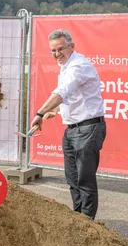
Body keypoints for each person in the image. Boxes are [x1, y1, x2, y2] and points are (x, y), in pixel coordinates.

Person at [30, 29, 106, 220]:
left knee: (85, 180)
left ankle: (87, 224)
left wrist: (39, 113)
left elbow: (62, 92)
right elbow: (73, 98)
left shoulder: (78, 66)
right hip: (73, 130)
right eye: (53, 51)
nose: (57, 54)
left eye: (60, 49)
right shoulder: (66, 66)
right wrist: (54, 111)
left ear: (71, 47)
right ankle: (78, 218)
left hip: (87, 130)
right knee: (73, 179)